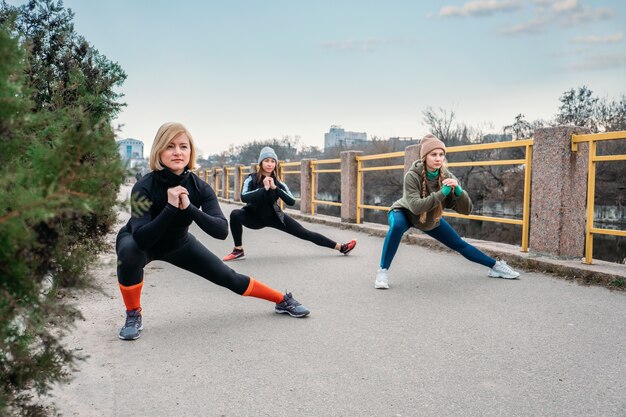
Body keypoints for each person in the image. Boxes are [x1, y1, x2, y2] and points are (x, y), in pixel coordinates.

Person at [115, 123, 309, 341]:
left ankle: (282, 300)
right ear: (159, 151)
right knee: (129, 252)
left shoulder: (199, 187)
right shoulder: (143, 186)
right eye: (170, 146)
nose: (177, 152)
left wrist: (189, 208)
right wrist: (170, 207)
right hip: (141, 241)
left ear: (190, 152)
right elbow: (142, 239)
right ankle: (133, 314)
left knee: (229, 277)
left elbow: (221, 231)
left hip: (178, 243)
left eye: (183, 146)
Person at [374, 134, 520, 289]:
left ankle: (496, 267)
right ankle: (382, 272)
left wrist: (458, 191)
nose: (438, 158)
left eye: (441, 154)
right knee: (396, 227)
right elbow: (416, 207)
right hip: (404, 212)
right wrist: (442, 192)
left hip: (429, 217)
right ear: (424, 157)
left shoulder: (448, 176)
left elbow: (467, 210)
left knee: (459, 244)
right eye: (433, 154)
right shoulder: (412, 175)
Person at [223, 147, 357, 261]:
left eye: (272, 161)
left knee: (305, 233)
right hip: (253, 217)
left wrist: (275, 188)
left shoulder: (279, 183)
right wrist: (264, 189)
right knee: (235, 214)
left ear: (276, 164)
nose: (270, 164)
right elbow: (243, 197)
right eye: (266, 161)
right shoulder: (251, 179)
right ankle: (238, 250)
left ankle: (341, 247)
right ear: (260, 163)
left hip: (274, 217)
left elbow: (291, 201)